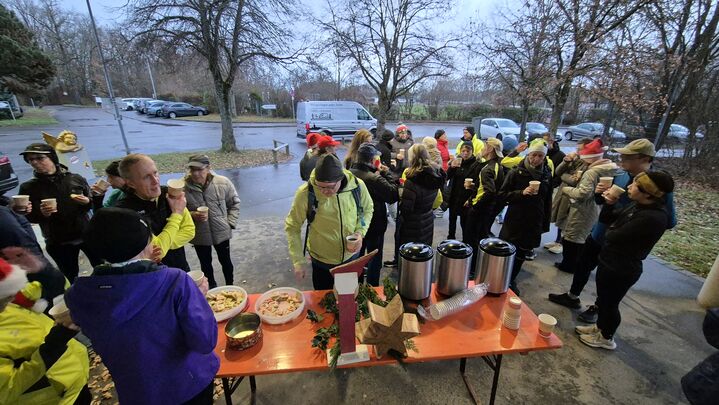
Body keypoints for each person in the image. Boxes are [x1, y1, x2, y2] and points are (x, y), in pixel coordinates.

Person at [66, 208, 218, 403]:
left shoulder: (79, 294)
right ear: (146, 242)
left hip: (137, 392)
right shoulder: (174, 282)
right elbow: (204, 341)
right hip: (187, 385)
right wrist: (197, 297)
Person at [548, 139, 677, 320]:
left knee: (609, 281)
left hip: (623, 243)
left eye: (628, 156)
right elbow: (601, 201)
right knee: (584, 265)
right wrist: (600, 194)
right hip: (600, 232)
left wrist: (637, 211)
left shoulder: (657, 185)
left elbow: (669, 220)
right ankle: (572, 296)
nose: (621, 158)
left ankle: (598, 309)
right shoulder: (621, 174)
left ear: (644, 159)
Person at [575, 171, 675, 350]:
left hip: (622, 267)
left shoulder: (653, 217)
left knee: (610, 304)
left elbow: (613, 235)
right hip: (610, 261)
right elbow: (607, 220)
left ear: (647, 192)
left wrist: (612, 228)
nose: (629, 186)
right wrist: (609, 203)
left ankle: (607, 338)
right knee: (603, 300)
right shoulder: (637, 206)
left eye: (635, 185)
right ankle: (599, 328)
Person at [0, 257, 90, 404]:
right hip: (54, 397)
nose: (12, 297)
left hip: (73, 371)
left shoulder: (7, 302)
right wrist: (54, 344)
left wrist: (45, 279)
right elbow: (7, 391)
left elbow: (22, 294)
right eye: (5, 297)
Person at [285, 154, 374, 290]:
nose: (325, 191)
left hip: (351, 260)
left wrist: (360, 232)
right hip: (322, 262)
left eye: (331, 187)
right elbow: (292, 227)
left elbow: (366, 210)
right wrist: (298, 260)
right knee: (323, 303)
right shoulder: (306, 193)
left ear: (340, 179)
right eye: (321, 187)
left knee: (349, 299)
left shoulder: (357, 186)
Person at [15, 143, 100, 282]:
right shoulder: (28, 187)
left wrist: (87, 202)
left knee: (102, 269)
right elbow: (29, 217)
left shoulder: (75, 179)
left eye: (39, 158)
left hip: (86, 235)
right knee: (71, 277)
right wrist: (42, 214)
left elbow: (90, 205)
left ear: (52, 158)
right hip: (58, 241)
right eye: (31, 160)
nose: (35, 162)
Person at [116, 154, 195, 271]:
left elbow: (189, 231)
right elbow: (157, 248)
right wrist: (176, 214)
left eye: (155, 173)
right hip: (151, 274)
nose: (155, 181)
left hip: (180, 267)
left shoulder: (170, 193)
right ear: (131, 183)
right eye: (146, 177)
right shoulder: (125, 211)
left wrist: (163, 245)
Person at [497, 138, 553, 295]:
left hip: (534, 219)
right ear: (528, 154)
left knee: (522, 253)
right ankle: (501, 278)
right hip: (515, 219)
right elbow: (502, 195)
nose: (536, 159)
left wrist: (545, 223)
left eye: (540, 156)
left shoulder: (547, 174)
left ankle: (511, 279)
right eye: (533, 155)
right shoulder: (516, 172)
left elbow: (547, 200)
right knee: (508, 251)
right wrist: (521, 193)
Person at [553, 139, 617, 274]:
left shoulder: (591, 172)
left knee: (573, 238)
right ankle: (572, 263)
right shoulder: (609, 169)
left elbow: (582, 193)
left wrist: (566, 190)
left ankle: (569, 265)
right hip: (591, 208)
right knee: (578, 236)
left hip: (582, 209)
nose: (578, 153)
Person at [184, 154, 241, 288]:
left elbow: (235, 203)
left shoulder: (223, 182)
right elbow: (178, 211)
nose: (196, 173)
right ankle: (212, 290)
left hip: (221, 231)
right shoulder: (183, 187)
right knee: (205, 264)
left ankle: (230, 286)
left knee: (226, 261)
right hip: (199, 234)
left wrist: (230, 223)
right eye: (192, 170)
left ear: (208, 168)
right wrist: (192, 215)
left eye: (200, 169)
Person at [349, 144, 399, 286]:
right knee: (374, 258)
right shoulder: (374, 179)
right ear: (373, 160)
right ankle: (372, 288)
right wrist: (386, 172)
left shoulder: (349, 173)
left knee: (356, 258)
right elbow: (393, 195)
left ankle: (356, 287)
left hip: (355, 223)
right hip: (375, 223)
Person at [464, 138, 505, 272]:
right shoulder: (498, 165)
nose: (482, 148)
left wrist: (475, 206)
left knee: (472, 238)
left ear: (491, 149)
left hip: (480, 209)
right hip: (489, 208)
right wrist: (475, 188)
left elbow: (490, 191)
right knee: (481, 236)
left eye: (485, 146)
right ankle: (479, 266)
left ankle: (472, 269)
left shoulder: (487, 169)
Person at [395, 144, 446, 251]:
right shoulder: (435, 173)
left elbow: (406, 209)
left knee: (410, 254)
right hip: (427, 218)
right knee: (423, 252)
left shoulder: (412, 180)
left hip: (412, 225)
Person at [545, 139, 592, 254]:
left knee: (567, 218)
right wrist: (565, 161)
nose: (577, 151)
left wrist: (563, 176)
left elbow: (575, 181)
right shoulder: (574, 159)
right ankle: (557, 240)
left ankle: (561, 243)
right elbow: (558, 171)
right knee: (559, 216)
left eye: (580, 149)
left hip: (572, 195)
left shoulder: (588, 165)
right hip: (563, 193)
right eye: (577, 149)